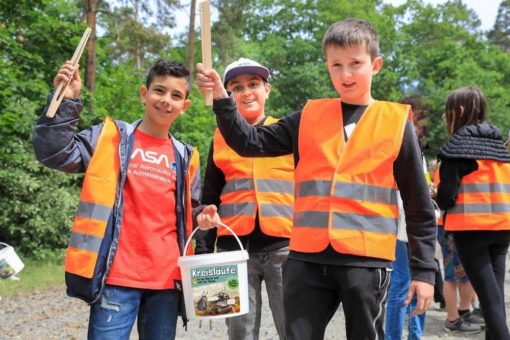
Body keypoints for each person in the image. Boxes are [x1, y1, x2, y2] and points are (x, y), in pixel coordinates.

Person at [196, 18, 437, 340]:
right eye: (336, 65)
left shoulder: (395, 122)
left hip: (365, 263)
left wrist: (424, 271)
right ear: (327, 66)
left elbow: (419, 204)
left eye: (355, 64)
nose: (346, 74)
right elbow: (248, 143)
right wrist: (223, 103)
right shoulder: (308, 117)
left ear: (375, 65)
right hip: (306, 260)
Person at [32, 59, 211, 339]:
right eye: (159, 91)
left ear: (185, 106)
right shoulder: (111, 138)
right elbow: (55, 153)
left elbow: (191, 211)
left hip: (166, 283)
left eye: (176, 95)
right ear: (144, 93)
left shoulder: (186, 156)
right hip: (115, 280)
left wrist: (203, 217)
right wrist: (67, 100)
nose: (166, 100)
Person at [195, 58, 293, 340]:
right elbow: (210, 197)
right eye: (236, 87)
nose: (246, 91)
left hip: (285, 249)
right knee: (239, 332)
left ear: (267, 90)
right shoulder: (220, 139)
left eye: (253, 84)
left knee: (294, 327)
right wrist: (203, 255)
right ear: (226, 95)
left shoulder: (286, 133)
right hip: (233, 249)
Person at [436, 86, 510, 340]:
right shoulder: (499, 147)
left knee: (490, 301)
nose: (445, 118)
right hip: (503, 227)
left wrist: (436, 195)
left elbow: (446, 198)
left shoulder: (456, 149)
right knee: (494, 296)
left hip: (471, 230)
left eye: (448, 112)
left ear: (459, 111)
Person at [385, 192, 427, 340]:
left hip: (414, 224)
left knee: (418, 283)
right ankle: (393, 337)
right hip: (402, 223)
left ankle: (414, 336)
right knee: (402, 284)